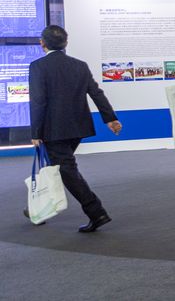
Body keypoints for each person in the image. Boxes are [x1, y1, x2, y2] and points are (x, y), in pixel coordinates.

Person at [27, 25, 122, 232]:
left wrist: (35, 132)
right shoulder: (80, 65)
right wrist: (110, 118)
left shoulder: (38, 66)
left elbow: (38, 101)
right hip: (78, 128)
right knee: (59, 167)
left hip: (54, 130)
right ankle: (38, 208)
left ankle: (96, 212)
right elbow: (96, 93)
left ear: (42, 43)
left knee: (66, 170)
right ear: (66, 43)